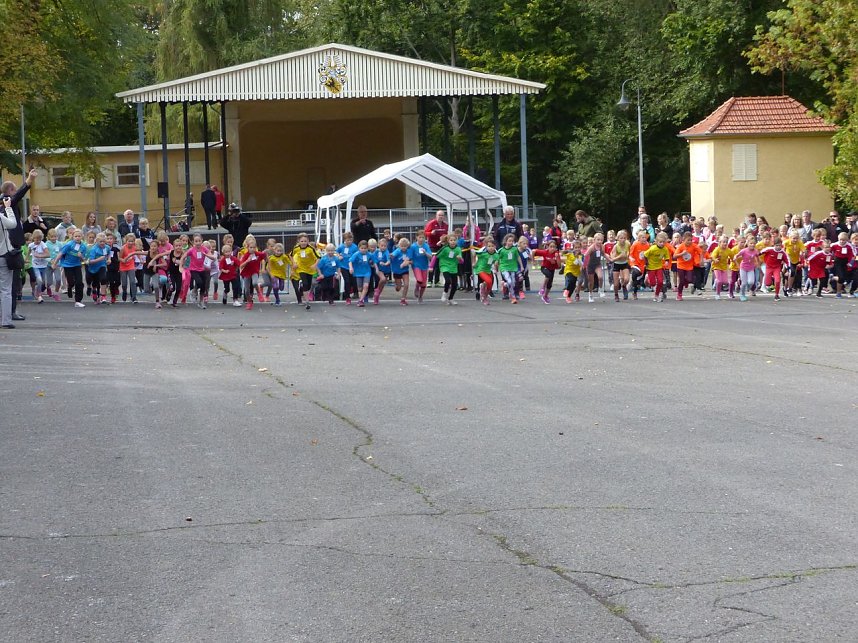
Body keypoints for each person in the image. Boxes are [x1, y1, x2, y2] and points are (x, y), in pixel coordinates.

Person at [1, 168, 37, 321]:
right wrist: (29, 180)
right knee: (12, 283)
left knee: (9, 283)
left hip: (7, 248)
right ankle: (10, 313)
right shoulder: (8, 203)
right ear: (10, 191)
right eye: (14, 190)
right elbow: (19, 195)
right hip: (11, 250)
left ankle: (8, 312)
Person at [52, 229, 87, 307]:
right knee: (71, 282)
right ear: (72, 237)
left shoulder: (83, 246)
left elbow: (83, 260)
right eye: (76, 236)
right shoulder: (69, 245)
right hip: (67, 265)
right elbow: (60, 254)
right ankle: (69, 287)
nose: (77, 238)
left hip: (77, 265)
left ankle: (78, 301)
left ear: (82, 237)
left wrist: (81, 256)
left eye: (79, 236)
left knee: (79, 282)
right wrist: (54, 263)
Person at [0, 197, 20, 328]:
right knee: (5, 290)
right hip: (3, 256)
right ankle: (5, 321)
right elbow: (13, 224)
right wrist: (8, 208)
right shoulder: (0, 217)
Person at [181, 233, 216, 308]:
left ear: (202, 241)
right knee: (199, 282)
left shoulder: (204, 249)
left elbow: (213, 257)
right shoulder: (191, 250)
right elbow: (183, 257)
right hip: (194, 270)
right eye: (196, 241)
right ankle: (194, 291)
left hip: (202, 269)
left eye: (199, 241)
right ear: (193, 242)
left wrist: (207, 255)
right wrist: (181, 266)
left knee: (203, 286)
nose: (198, 243)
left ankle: (201, 301)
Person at [291, 233, 319, 309]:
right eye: (302, 241)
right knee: (305, 283)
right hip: (301, 268)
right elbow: (290, 255)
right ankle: (307, 302)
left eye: (305, 241)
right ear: (298, 241)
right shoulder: (296, 248)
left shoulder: (311, 249)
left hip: (309, 269)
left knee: (308, 285)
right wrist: (294, 263)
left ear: (308, 241)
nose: (303, 243)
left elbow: (318, 257)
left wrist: (314, 265)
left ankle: (302, 287)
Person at [238, 235, 266, 310]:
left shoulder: (258, 254)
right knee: (246, 291)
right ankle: (249, 301)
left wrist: (266, 263)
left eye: (254, 247)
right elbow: (241, 265)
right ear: (247, 247)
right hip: (246, 273)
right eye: (251, 247)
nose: (252, 249)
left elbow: (264, 255)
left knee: (254, 283)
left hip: (254, 272)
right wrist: (247, 261)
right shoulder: (246, 255)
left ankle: (259, 293)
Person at [643, 232, 671, 302]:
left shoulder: (665, 249)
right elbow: (645, 255)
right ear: (656, 242)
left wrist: (667, 261)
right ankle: (647, 278)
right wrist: (646, 263)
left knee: (660, 282)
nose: (662, 243)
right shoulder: (653, 248)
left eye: (663, 242)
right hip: (651, 267)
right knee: (652, 283)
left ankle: (657, 295)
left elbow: (667, 257)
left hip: (659, 267)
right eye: (660, 242)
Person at [497, 233, 524, 303]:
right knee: (509, 281)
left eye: (512, 241)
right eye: (509, 241)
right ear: (505, 241)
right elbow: (497, 259)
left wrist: (521, 266)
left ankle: (504, 284)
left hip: (513, 268)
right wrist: (496, 268)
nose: (511, 242)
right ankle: (513, 297)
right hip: (504, 268)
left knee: (513, 283)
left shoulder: (514, 249)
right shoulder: (501, 250)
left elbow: (518, 257)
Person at [85, 233, 111, 304]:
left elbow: (109, 253)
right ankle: (92, 289)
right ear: (96, 241)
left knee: (103, 278)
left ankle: (103, 296)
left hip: (102, 266)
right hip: (92, 268)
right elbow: (90, 261)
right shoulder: (94, 249)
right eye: (100, 241)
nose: (102, 243)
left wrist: (109, 259)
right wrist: (100, 259)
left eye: (104, 241)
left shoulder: (107, 247)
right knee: (93, 282)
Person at [438, 233, 463, 305]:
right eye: (451, 240)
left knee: (455, 285)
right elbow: (436, 256)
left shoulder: (458, 249)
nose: (453, 242)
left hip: (453, 267)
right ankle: (444, 293)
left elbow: (461, 262)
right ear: (448, 241)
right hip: (444, 266)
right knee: (448, 280)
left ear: (456, 241)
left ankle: (451, 298)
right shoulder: (445, 249)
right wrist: (431, 266)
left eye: (454, 240)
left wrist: (460, 258)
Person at [424, 210, 448, 287]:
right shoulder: (431, 223)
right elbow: (425, 233)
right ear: (436, 216)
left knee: (439, 264)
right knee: (432, 264)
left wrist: (444, 240)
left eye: (442, 215)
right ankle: (430, 281)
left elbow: (447, 234)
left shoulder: (445, 225)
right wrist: (431, 233)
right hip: (433, 246)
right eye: (439, 215)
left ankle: (437, 281)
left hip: (441, 246)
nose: (441, 217)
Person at [408, 232, 432, 303]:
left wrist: (425, 253)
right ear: (416, 237)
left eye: (423, 237)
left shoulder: (426, 246)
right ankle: (416, 288)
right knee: (419, 280)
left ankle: (420, 296)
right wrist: (409, 261)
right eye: (420, 237)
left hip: (424, 266)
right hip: (416, 266)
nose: (421, 239)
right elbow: (410, 257)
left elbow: (430, 256)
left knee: (424, 285)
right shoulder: (413, 246)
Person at [348, 240, 374, 307]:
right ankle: (361, 299)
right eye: (362, 248)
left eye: (365, 248)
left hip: (367, 272)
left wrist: (373, 265)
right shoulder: (356, 254)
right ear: (359, 248)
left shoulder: (369, 254)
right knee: (360, 288)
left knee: (366, 286)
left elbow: (374, 262)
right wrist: (351, 268)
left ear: (367, 248)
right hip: (358, 273)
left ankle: (360, 301)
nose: (363, 250)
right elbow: (350, 261)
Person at [27, 230, 50, 303]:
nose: (38, 241)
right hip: (35, 265)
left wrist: (40, 256)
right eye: (37, 239)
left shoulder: (43, 244)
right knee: (39, 280)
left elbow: (48, 254)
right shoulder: (31, 245)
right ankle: (39, 295)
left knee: (42, 282)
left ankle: (37, 291)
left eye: (40, 239)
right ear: (33, 238)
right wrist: (26, 259)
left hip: (43, 266)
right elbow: (28, 252)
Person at [610, 229, 631, 301]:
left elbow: (629, 252)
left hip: (624, 263)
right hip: (617, 264)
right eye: (621, 238)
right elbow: (613, 259)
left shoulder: (627, 244)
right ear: (618, 238)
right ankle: (616, 295)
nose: (623, 240)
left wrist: (627, 255)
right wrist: (620, 256)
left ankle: (624, 286)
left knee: (627, 279)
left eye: (624, 238)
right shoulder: (616, 246)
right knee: (616, 284)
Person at [390, 238, 412, 306]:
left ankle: (403, 299)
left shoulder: (409, 252)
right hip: (396, 271)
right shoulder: (397, 251)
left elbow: (412, 261)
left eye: (405, 246)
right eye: (402, 246)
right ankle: (397, 285)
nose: (403, 248)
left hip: (405, 270)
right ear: (399, 246)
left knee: (406, 284)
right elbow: (392, 256)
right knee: (398, 288)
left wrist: (408, 262)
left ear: (407, 246)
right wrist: (391, 256)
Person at [561, 238, 584, 303]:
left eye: (578, 247)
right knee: (570, 279)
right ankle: (566, 290)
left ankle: (568, 296)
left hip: (576, 272)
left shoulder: (580, 256)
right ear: (573, 248)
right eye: (576, 247)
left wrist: (577, 257)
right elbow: (563, 254)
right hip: (568, 270)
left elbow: (580, 264)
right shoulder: (570, 254)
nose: (577, 249)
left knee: (573, 285)